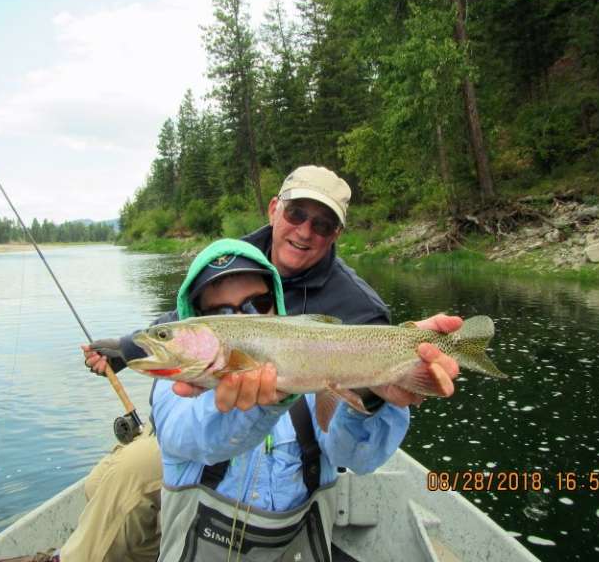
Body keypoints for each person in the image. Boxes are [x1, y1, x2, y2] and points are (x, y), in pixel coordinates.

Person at [62, 165, 460, 561]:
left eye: (321, 224)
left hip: (302, 438)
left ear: (337, 233)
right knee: (119, 477)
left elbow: (352, 452)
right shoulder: (230, 262)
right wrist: (126, 350)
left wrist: (375, 396)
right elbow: (185, 411)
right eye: (296, 214)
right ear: (274, 210)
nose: (305, 231)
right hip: (213, 437)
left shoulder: (361, 307)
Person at [148, 238, 436, 561]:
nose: (243, 321)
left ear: (277, 303)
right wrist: (264, 404)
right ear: (195, 318)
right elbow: (194, 437)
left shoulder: (312, 370)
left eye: (257, 305)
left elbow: (356, 457)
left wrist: (371, 393)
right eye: (220, 312)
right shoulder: (175, 391)